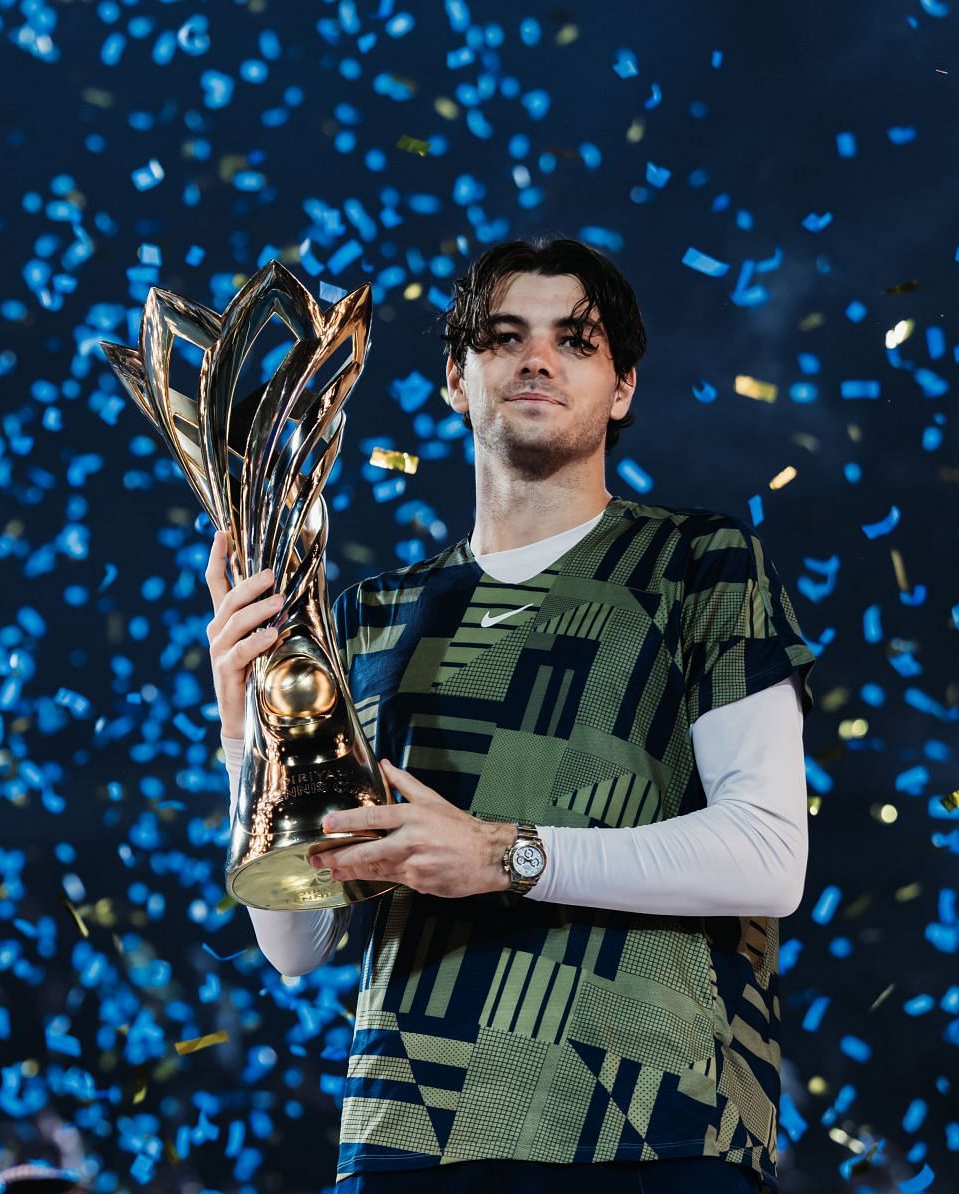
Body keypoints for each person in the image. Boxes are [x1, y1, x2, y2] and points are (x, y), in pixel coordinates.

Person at [202, 236, 818, 1193]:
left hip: (654, 1129)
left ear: (622, 390)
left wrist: (500, 854)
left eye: (576, 340)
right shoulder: (364, 620)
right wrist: (246, 734)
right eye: (503, 337)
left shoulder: (702, 564)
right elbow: (297, 944)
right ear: (456, 378)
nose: (537, 358)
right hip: (410, 1133)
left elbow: (770, 857)